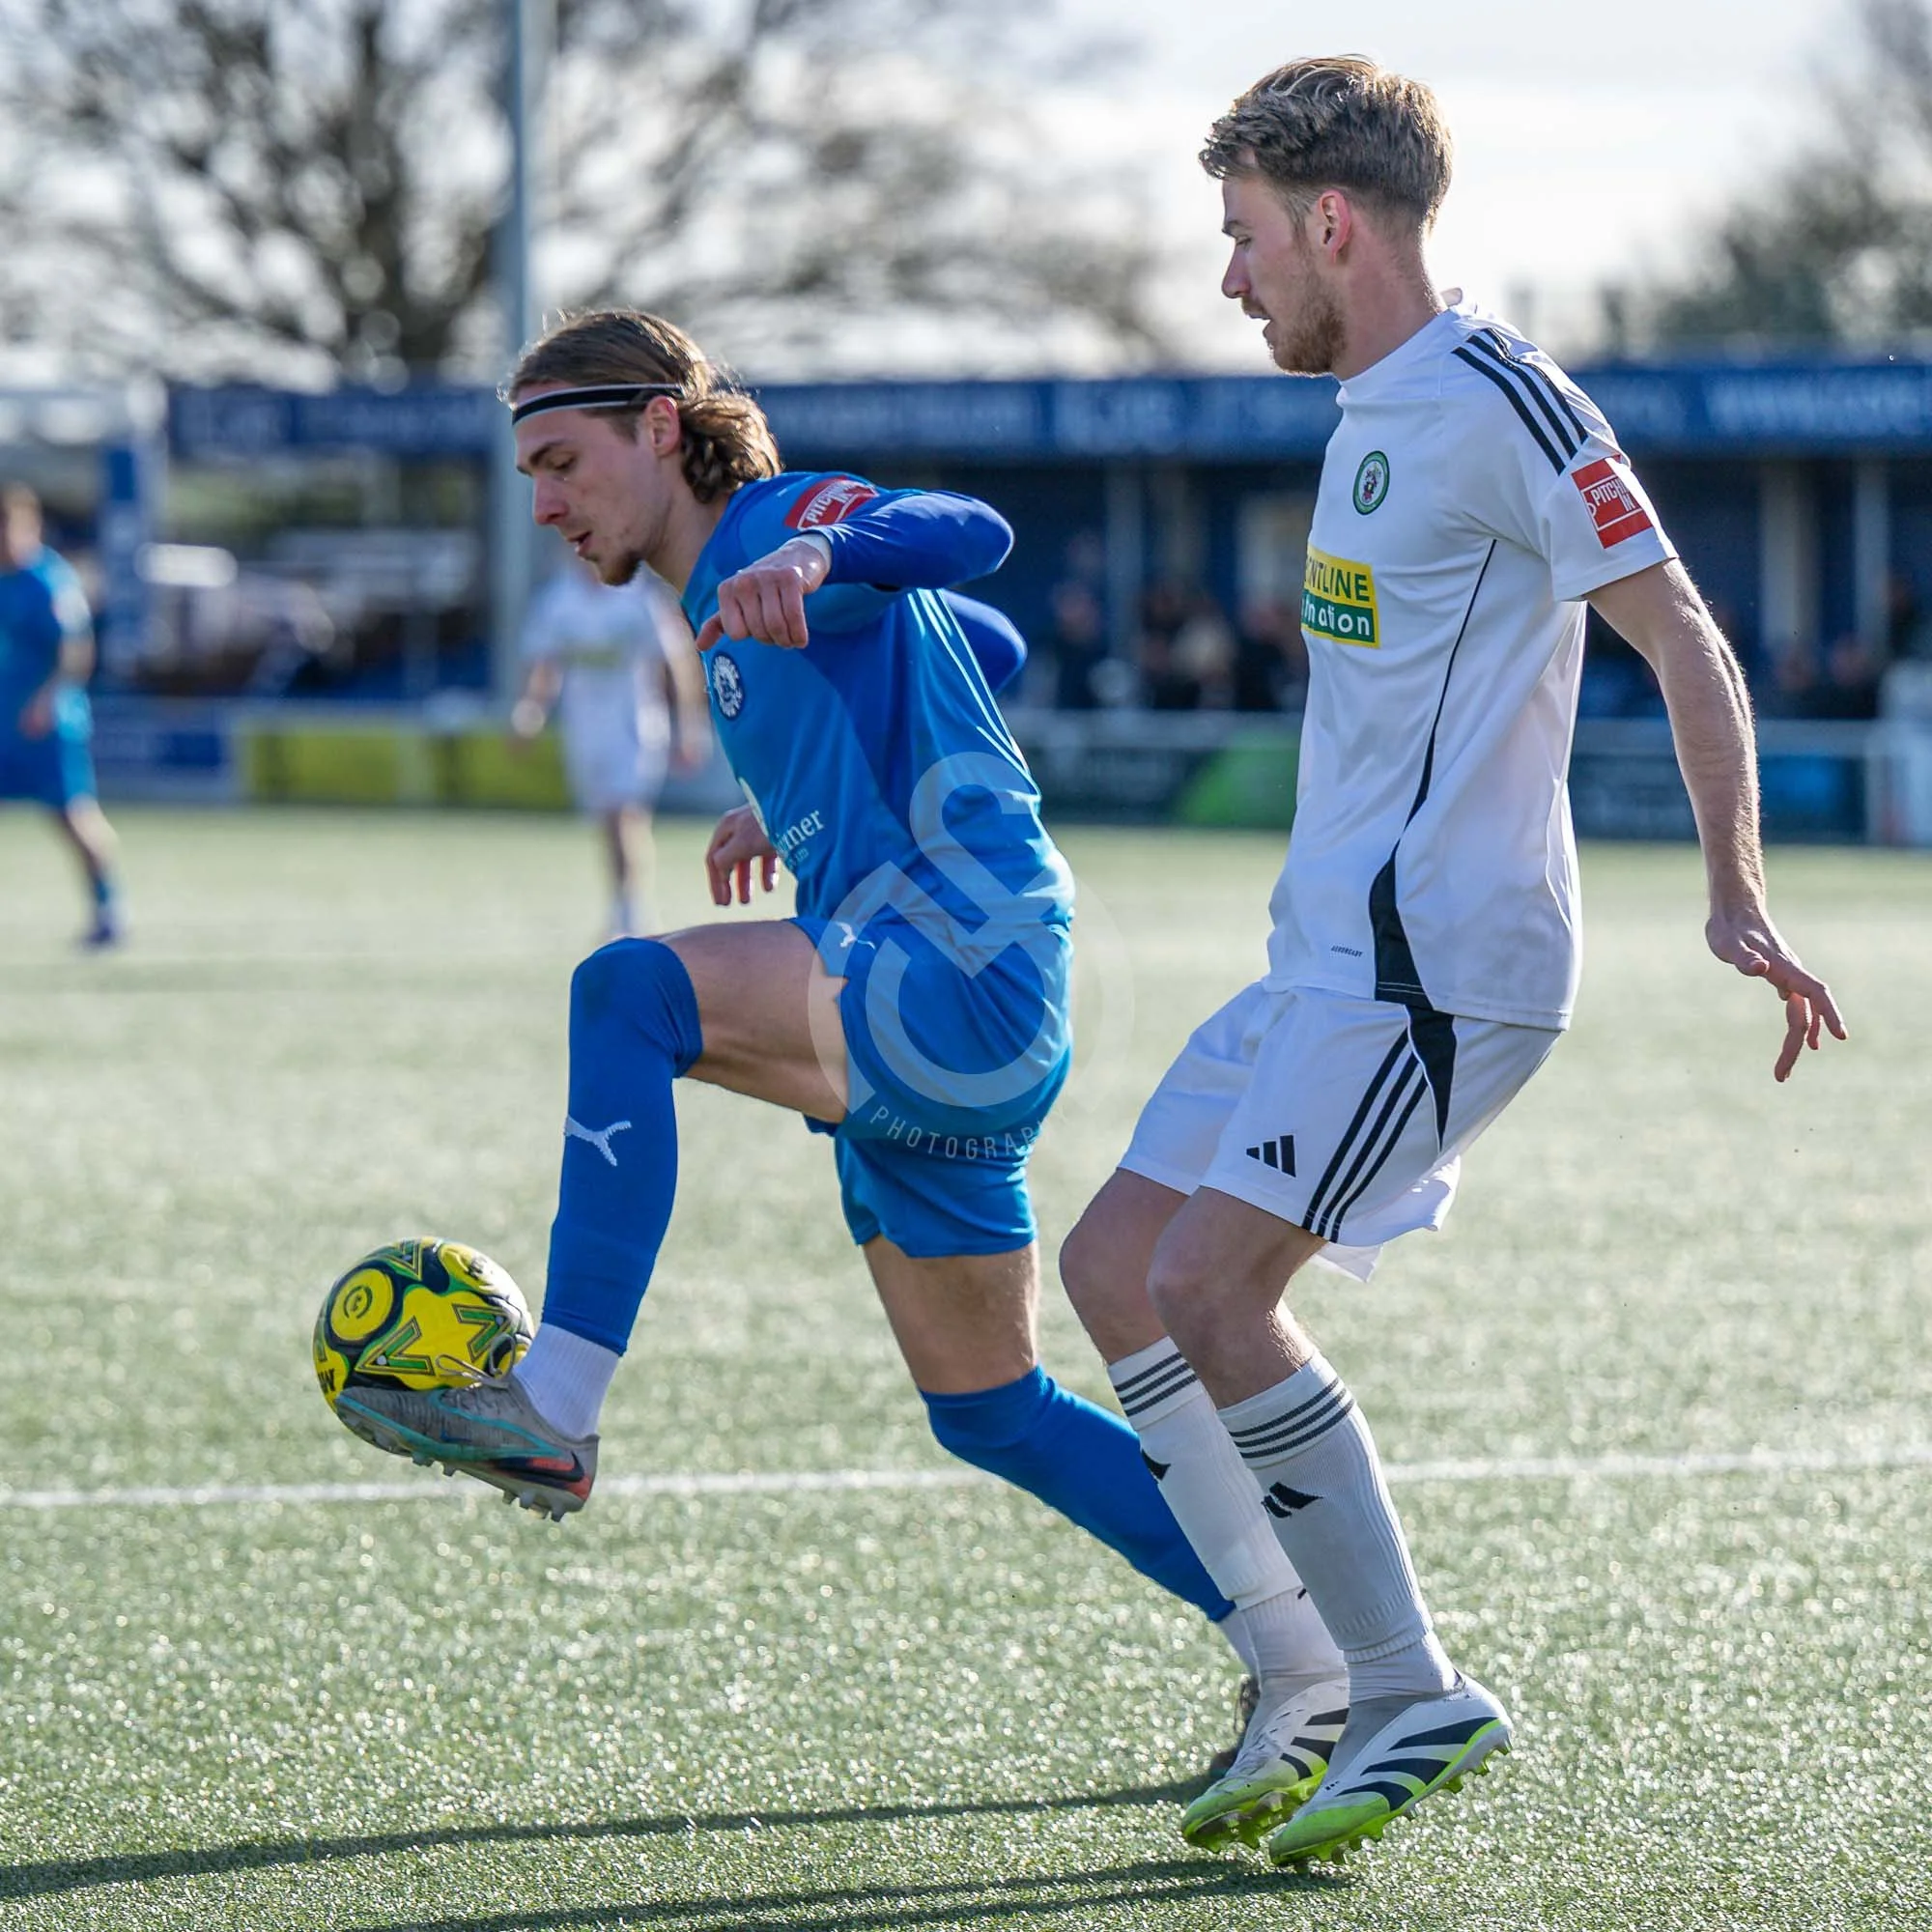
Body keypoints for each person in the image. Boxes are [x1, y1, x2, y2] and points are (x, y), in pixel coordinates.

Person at [1055, 57, 1847, 1871]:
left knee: (1211, 1283)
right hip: (1325, 958)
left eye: (1246, 237)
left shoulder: (1505, 397)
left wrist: (1733, 889)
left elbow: (1686, 634)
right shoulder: (1369, 405)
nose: (1231, 279)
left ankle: (1406, 1683)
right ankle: (1298, 1666)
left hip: (1442, 966)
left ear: (1335, 221)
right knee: (1114, 1265)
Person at [336, 308, 1300, 1745]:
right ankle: (1309, 1643)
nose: (541, 502)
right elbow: (979, 637)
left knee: (630, 991)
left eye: (560, 460)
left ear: (659, 426)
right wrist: (787, 778)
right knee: (989, 1407)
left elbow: (972, 541)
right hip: (932, 998)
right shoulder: (722, 595)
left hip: (957, 967)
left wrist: (823, 553)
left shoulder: (774, 520)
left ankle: (558, 1402)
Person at [512, 544, 711, 938]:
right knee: (609, 820)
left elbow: (676, 664)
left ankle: (631, 913)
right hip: (585, 730)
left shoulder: (639, 600)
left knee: (625, 815)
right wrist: (530, 711)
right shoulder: (558, 602)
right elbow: (543, 665)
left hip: (637, 727)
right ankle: (623, 904)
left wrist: (689, 725)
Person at [0, 485, 124, 946]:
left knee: (72, 817)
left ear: (29, 528)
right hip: (3, 721)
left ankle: (109, 910)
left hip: (49, 724)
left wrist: (47, 700)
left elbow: (76, 652)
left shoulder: (50, 580)